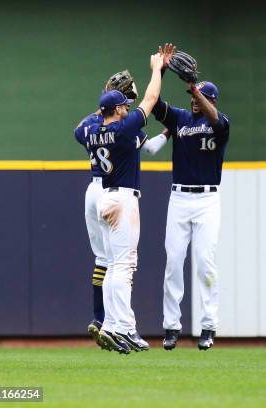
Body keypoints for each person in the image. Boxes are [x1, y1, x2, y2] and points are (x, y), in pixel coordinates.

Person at [74, 52, 165, 354]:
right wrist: (156, 69)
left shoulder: (94, 130)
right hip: (122, 197)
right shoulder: (125, 130)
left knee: (112, 264)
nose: (128, 107)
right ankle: (123, 327)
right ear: (116, 109)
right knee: (124, 267)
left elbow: (81, 128)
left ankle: (110, 325)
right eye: (123, 105)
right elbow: (151, 99)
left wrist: (105, 104)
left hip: (102, 196)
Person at [152, 77, 231, 351]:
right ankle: (172, 327)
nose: (194, 102)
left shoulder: (220, 123)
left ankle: (208, 326)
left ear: (211, 100)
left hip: (208, 199)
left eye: (199, 98)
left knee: (204, 262)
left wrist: (198, 90)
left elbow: (216, 119)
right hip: (180, 197)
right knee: (173, 261)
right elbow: (155, 105)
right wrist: (158, 73)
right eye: (192, 98)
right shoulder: (180, 118)